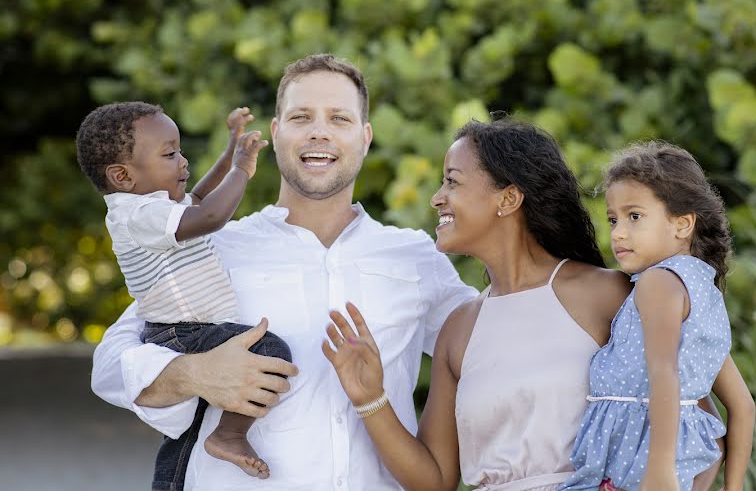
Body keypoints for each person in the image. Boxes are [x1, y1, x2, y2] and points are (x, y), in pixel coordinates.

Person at [90, 54, 478, 490]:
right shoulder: (214, 246)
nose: (319, 131)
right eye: (301, 116)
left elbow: (493, 347)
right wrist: (197, 374)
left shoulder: (414, 257)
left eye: (339, 118)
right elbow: (109, 365)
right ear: (275, 134)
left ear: (365, 138)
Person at [323, 119, 651, 491]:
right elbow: (435, 481)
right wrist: (371, 399)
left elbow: (692, 421)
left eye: (452, 180)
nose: (437, 197)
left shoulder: (608, 295)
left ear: (508, 198)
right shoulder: (459, 328)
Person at [76, 102, 292, 489]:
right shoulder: (138, 216)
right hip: (183, 331)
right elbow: (211, 215)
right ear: (123, 176)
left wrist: (230, 150)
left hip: (184, 329)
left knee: (185, 436)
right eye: (170, 153)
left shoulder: (156, 209)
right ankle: (228, 434)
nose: (183, 161)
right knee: (270, 352)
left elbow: (199, 196)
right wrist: (242, 167)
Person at [556, 141, 756, 491]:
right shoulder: (702, 292)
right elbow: (743, 405)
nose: (618, 232)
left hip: (636, 470)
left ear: (682, 224)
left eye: (635, 217)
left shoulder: (657, 283)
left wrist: (659, 471)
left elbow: (664, 373)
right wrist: (733, 486)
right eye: (613, 219)